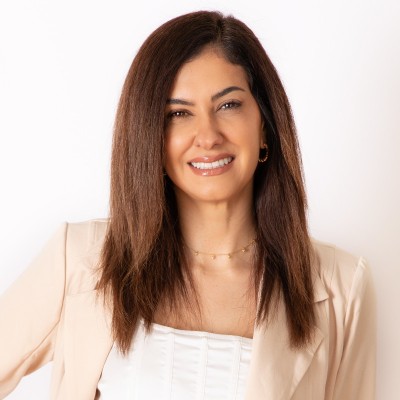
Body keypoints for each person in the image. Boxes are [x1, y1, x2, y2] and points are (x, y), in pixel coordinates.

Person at [0, 10, 375, 400]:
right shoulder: (79, 259)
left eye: (228, 105)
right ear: (151, 137)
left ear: (264, 124)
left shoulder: (342, 287)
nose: (207, 136)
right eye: (178, 113)